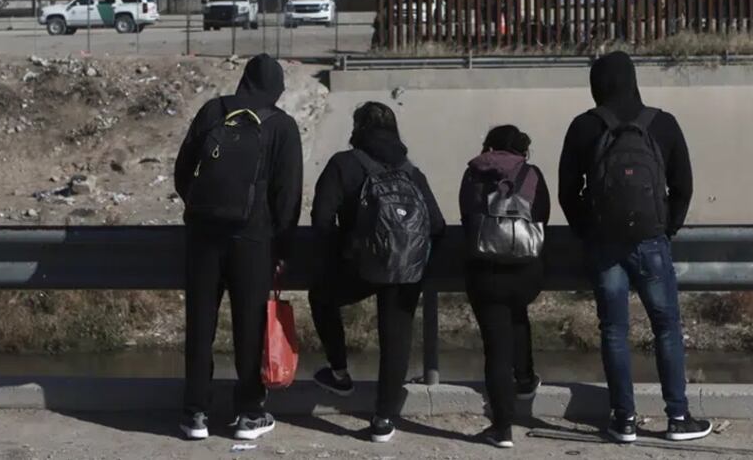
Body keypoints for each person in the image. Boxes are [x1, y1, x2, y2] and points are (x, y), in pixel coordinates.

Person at [558, 51, 711, 444]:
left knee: (613, 330)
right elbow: (683, 187)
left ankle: (624, 420)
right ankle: (678, 417)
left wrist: (588, 231)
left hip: (605, 245)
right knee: (666, 329)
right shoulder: (663, 123)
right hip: (651, 241)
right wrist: (665, 227)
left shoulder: (583, 127)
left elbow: (567, 192)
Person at [174, 54, 303, 442]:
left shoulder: (213, 111)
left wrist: (201, 210)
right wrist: (281, 243)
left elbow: (183, 172)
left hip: (203, 237)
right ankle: (249, 413)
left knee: (200, 324)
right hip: (253, 240)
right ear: (277, 88)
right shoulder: (281, 126)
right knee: (250, 326)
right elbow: (289, 196)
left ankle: (195, 412)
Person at [309, 101, 445, 444]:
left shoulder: (344, 164)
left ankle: (339, 373)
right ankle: (383, 419)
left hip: (360, 267)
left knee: (321, 297)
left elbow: (321, 219)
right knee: (396, 338)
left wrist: (347, 248)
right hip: (408, 269)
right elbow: (438, 224)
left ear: (358, 128)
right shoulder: (412, 171)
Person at [459, 126, 550, 449]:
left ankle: (502, 429)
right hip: (526, 270)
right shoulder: (531, 173)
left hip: (486, 271)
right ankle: (525, 379)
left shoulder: (473, 172)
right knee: (518, 314)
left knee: (495, 349)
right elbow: (542, 214)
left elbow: (467, 216)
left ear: (489, 146)